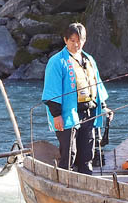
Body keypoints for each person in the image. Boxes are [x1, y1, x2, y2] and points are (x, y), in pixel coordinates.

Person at [41, 22, 111, 174]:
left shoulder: (89, 59)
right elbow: (52, 90)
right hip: (67, 114)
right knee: (69, 153)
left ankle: (86, 179)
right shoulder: (57, 61)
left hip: (90, 112)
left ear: (84, 41)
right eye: (72, 40)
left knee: (87, 153)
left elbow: (98, 85)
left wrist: (104, 107)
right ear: (65, 40)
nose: (76, 44)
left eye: (79, 40)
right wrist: (56, 115)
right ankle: (65, 181)